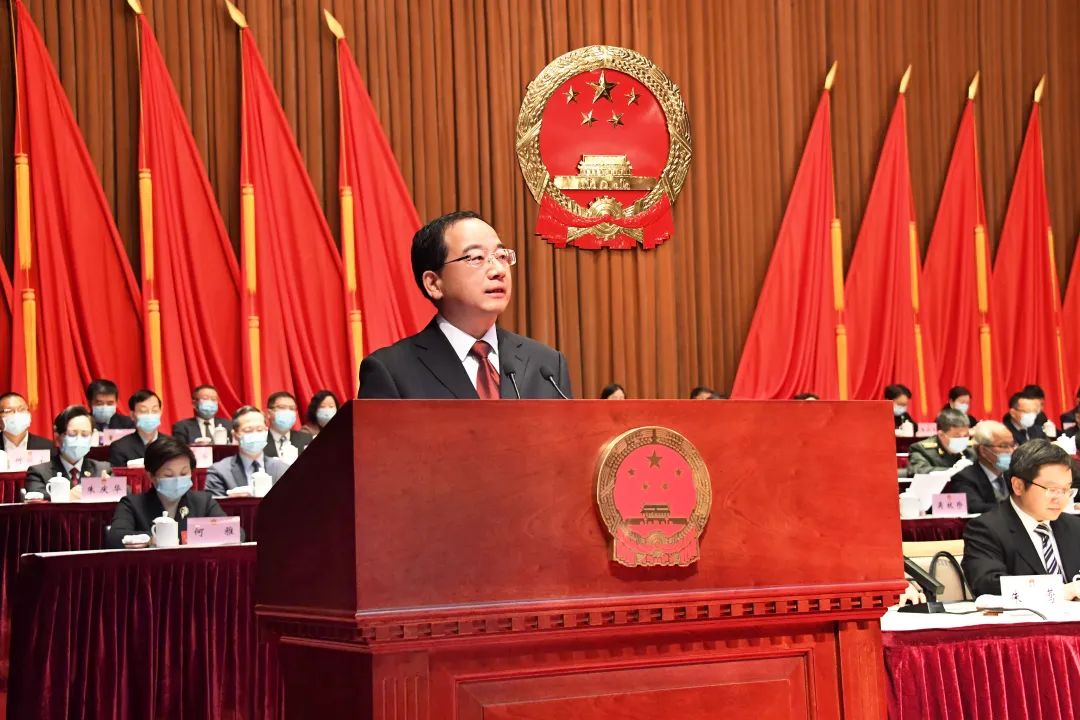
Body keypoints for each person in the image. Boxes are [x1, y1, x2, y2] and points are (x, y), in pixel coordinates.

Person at [358, 211, 571, 399]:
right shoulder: (392, 371)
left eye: (501, 256)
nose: (498, 270)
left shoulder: (547, 366)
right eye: (476, 258)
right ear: (433, 283)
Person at [962, 440, 1080, 598]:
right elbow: (988, 585)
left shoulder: (1074, 526)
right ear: (1018, 486)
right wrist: (1058, 591)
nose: (1060, 498)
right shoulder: (986, 530)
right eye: (1052, 489)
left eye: (1066, 490)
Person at [105, 436, 238, 548]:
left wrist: (191, 536)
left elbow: (236, 532)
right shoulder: (132, 504)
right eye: (168, 475)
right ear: (151, 476)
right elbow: (115, 537)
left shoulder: (203, 501)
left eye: (184, 473)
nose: (177, 480)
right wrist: (151, 539)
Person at [25, 405, 111, 501]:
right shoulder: (39, 472)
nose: (79, 439)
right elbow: (36, 499)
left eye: (85, 434)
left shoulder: (103, 469)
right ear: (57, 437)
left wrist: (109, 489)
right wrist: (67, 497)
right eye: (72, 434)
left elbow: (121, 497)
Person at [205, 406, 289, 496]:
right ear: (235, 435)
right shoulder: (219, 471)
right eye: (248, 430)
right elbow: (213, 503)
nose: (255, 434)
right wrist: (234, 501)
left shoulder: (282, 469)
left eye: (260, 430)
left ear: (266, 431)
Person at [942, 421, 1016, 514]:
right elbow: (975, 507)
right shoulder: (964, 478)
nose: (1011, 451)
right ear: (983, 450)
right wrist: (1016, 510)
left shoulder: (1015, 474)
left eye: (1012, 445)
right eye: (1003, 446)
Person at [109, 390, 171, 467]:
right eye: (143, 411)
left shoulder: (171, 445)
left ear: (160, 412)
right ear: (132, 415)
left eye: (154, 411)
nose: (150, 415)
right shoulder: (120, 448)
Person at [906, 408, 975, 475]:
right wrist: (953, 471)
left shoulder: (971, 450)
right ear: (941, 435)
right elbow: (918, 470)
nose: (962, 439)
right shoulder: (922, 450)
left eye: (966, 435)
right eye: (957, 436)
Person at [264, 392, 313, 457]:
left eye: (292, 408)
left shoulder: (307, 439)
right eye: (282, 407)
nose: (288, 412)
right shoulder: (259, 440)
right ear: (268, 413)